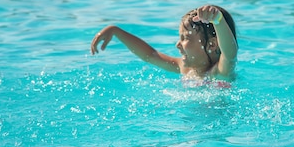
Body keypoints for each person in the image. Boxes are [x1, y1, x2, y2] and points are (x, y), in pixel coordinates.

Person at [90, 5, 238, 86]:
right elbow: (150, 55)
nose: (178, 45)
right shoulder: (185, 68)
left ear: (212, 44)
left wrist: (218, 20)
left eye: (185, 38)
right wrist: (116, 31)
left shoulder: (220, 72)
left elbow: (230, 53)